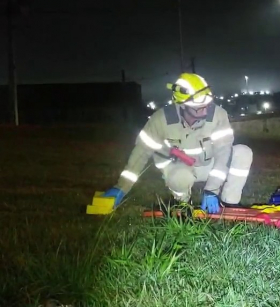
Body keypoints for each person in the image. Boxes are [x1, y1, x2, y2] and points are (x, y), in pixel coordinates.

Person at [101, 73, 253, 214]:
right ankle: (182, 204)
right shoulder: (160, 120)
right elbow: (141, 153)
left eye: (207, 100)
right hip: (179, 169)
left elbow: (223, 150)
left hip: (208, 165)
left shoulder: (218, 115)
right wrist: (121, 188)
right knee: (180, 176)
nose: (206, 106)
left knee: (243, 152)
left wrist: (212, 189)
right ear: (182, 104)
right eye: (199, 103)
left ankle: (230, 203)